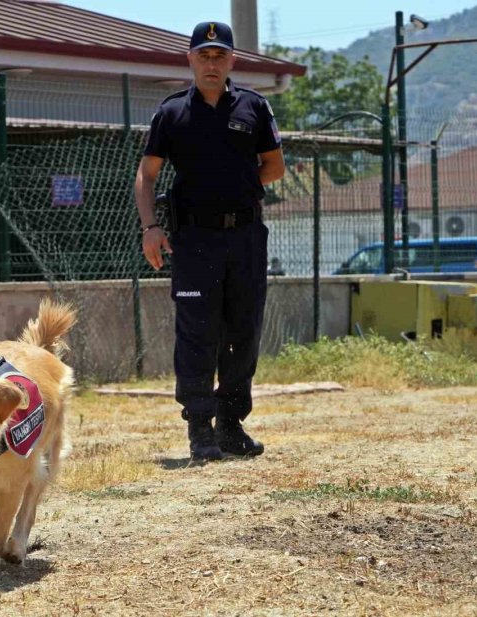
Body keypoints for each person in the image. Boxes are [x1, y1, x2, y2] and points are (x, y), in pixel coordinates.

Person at [134, 21, 286, 461]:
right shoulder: (172, 112)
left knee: (243, 330)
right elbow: (147, 175)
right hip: (193, 238)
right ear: (191, 59)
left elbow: (274, 167)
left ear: (232, 60)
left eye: (220, 56)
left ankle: (231, 425)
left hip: (245, 236)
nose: (212, 63)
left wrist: (240, 188)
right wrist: (151, 227)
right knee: (198, 331)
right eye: (204, 55)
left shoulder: (254, 107)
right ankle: (200, 428)